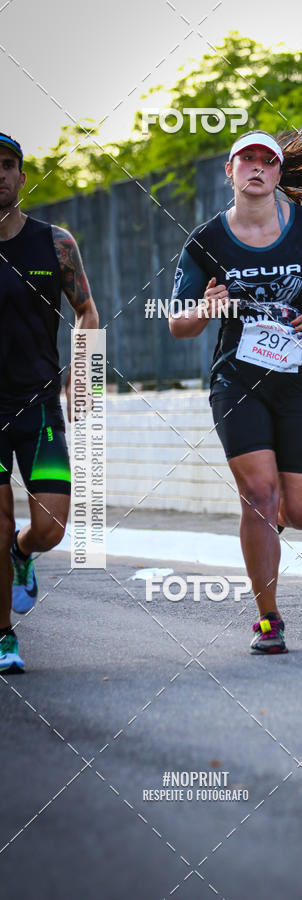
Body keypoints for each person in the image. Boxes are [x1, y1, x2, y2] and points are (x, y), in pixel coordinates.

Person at [169, 129, 302, 653]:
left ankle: (276, 513)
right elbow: (177, 323)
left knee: (300, 512)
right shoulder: (205, 241)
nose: (256, 168)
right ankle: (268, 617)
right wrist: (206, 309)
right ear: (228, 171)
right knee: (257, 495)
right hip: (239, 381)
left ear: (278, 173)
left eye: (266, 162)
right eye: (246, 160)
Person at [0, 133, 99, 672]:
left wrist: (81, 377)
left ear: (20, 175)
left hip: (38, 403)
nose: (0, 173)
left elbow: (86, 311)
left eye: (8, 165)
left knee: (53, 527)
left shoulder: (55, 243)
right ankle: (3, 636)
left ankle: (23, 551)